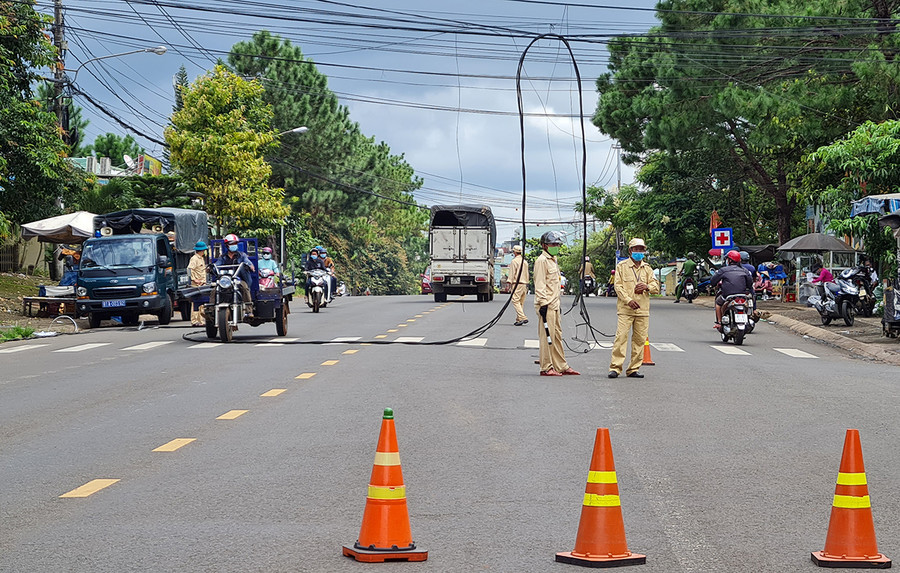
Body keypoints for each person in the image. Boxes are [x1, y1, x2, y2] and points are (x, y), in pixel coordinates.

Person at [609, 238, 660, 379]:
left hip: (643, 309)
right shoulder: (622, 266)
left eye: (641, 249)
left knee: (640, 340)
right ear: (630, 250)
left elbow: (656, 286)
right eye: (636, 249)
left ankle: (633, 368)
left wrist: (647, 287)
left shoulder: (648, 268)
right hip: (626, 309)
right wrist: (628, 300)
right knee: (621, 337)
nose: (639, 252)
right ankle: (615, 367)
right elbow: (617, 286)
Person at [533, 231, 579, 377]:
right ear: (544, 245)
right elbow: (539, 284)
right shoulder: (542, 261)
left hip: (554, 304)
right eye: (552, 244)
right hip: (546, 305)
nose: (555, 247)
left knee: (557, 336)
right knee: (547, 337)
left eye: (557, 244)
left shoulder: (553, 259)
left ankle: (560, 365)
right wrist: (543, 304)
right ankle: (546, 367)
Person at [709, 249, 754, 328]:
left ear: (729, 260)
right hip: (742, 295)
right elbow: (750, 284)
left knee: (718, 303)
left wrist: (713, 284)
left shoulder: (723, 270)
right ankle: (748, 317)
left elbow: (713, 281)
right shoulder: (745, 271)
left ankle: (719, 322)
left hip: (727, 295)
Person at [214, 234, 255, 317]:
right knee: (214, 290)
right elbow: (217, 265)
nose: (234, 246)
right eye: (232, 244)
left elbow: (248, 262)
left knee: (245, 288)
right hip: (226, 280)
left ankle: (249, 310)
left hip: (238, 279)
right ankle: (211, 311)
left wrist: (250, 265)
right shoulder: (223, 257)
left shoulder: (242, 255)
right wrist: (212, 268)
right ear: (227, 245)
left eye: (235, 243)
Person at [507, 244, 529, 326]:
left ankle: (523, 317)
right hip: (524, 284)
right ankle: (519, 319)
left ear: (514, 252)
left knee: (515, 300)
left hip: (517, 284)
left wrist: (509, 282)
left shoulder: (514, 261)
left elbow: (512, 273)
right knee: (521, 302)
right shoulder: (525, 262)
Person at [188, 241, 208, 326]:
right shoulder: (194, 258)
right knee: (196, 303)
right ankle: (194, 321)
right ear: (201, 250)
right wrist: (194, 279)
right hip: (196, 284)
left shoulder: (201, 258)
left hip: (202, 283)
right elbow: (189, 269)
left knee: (202, 304)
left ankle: (201, 321)